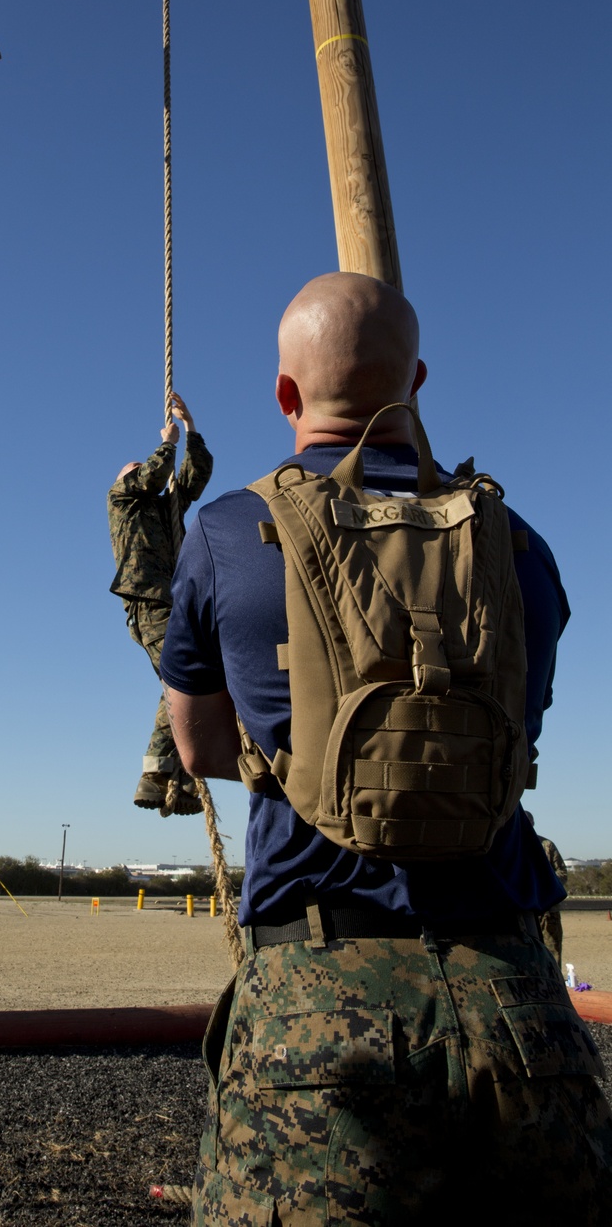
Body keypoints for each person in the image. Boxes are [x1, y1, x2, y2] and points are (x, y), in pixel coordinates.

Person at [160, 272, 612, 1225]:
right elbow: (522, 728)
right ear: (419, 378)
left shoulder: (228, 535)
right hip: (517, 999)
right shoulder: (517, 543)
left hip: (322, 1010)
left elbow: (196, 746)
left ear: (285, 394)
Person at [108, 393, 212, 815]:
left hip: (177, 601)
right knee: (183, 675)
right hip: (149, 601)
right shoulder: (123, 500)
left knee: (194, 680)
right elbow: (151, 475)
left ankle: (180, 778)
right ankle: (156, 772)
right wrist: (166, 443)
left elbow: (195, 476)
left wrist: (191, 430)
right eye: (131, 466)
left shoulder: (164, 506)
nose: (138, 466)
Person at [527, 813, 569, 969]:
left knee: (553, 947)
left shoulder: (546, 845)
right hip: (525, 910)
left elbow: (562, 872)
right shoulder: (513, 847)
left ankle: (555, 981)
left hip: (548, 909)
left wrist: (544, 885)